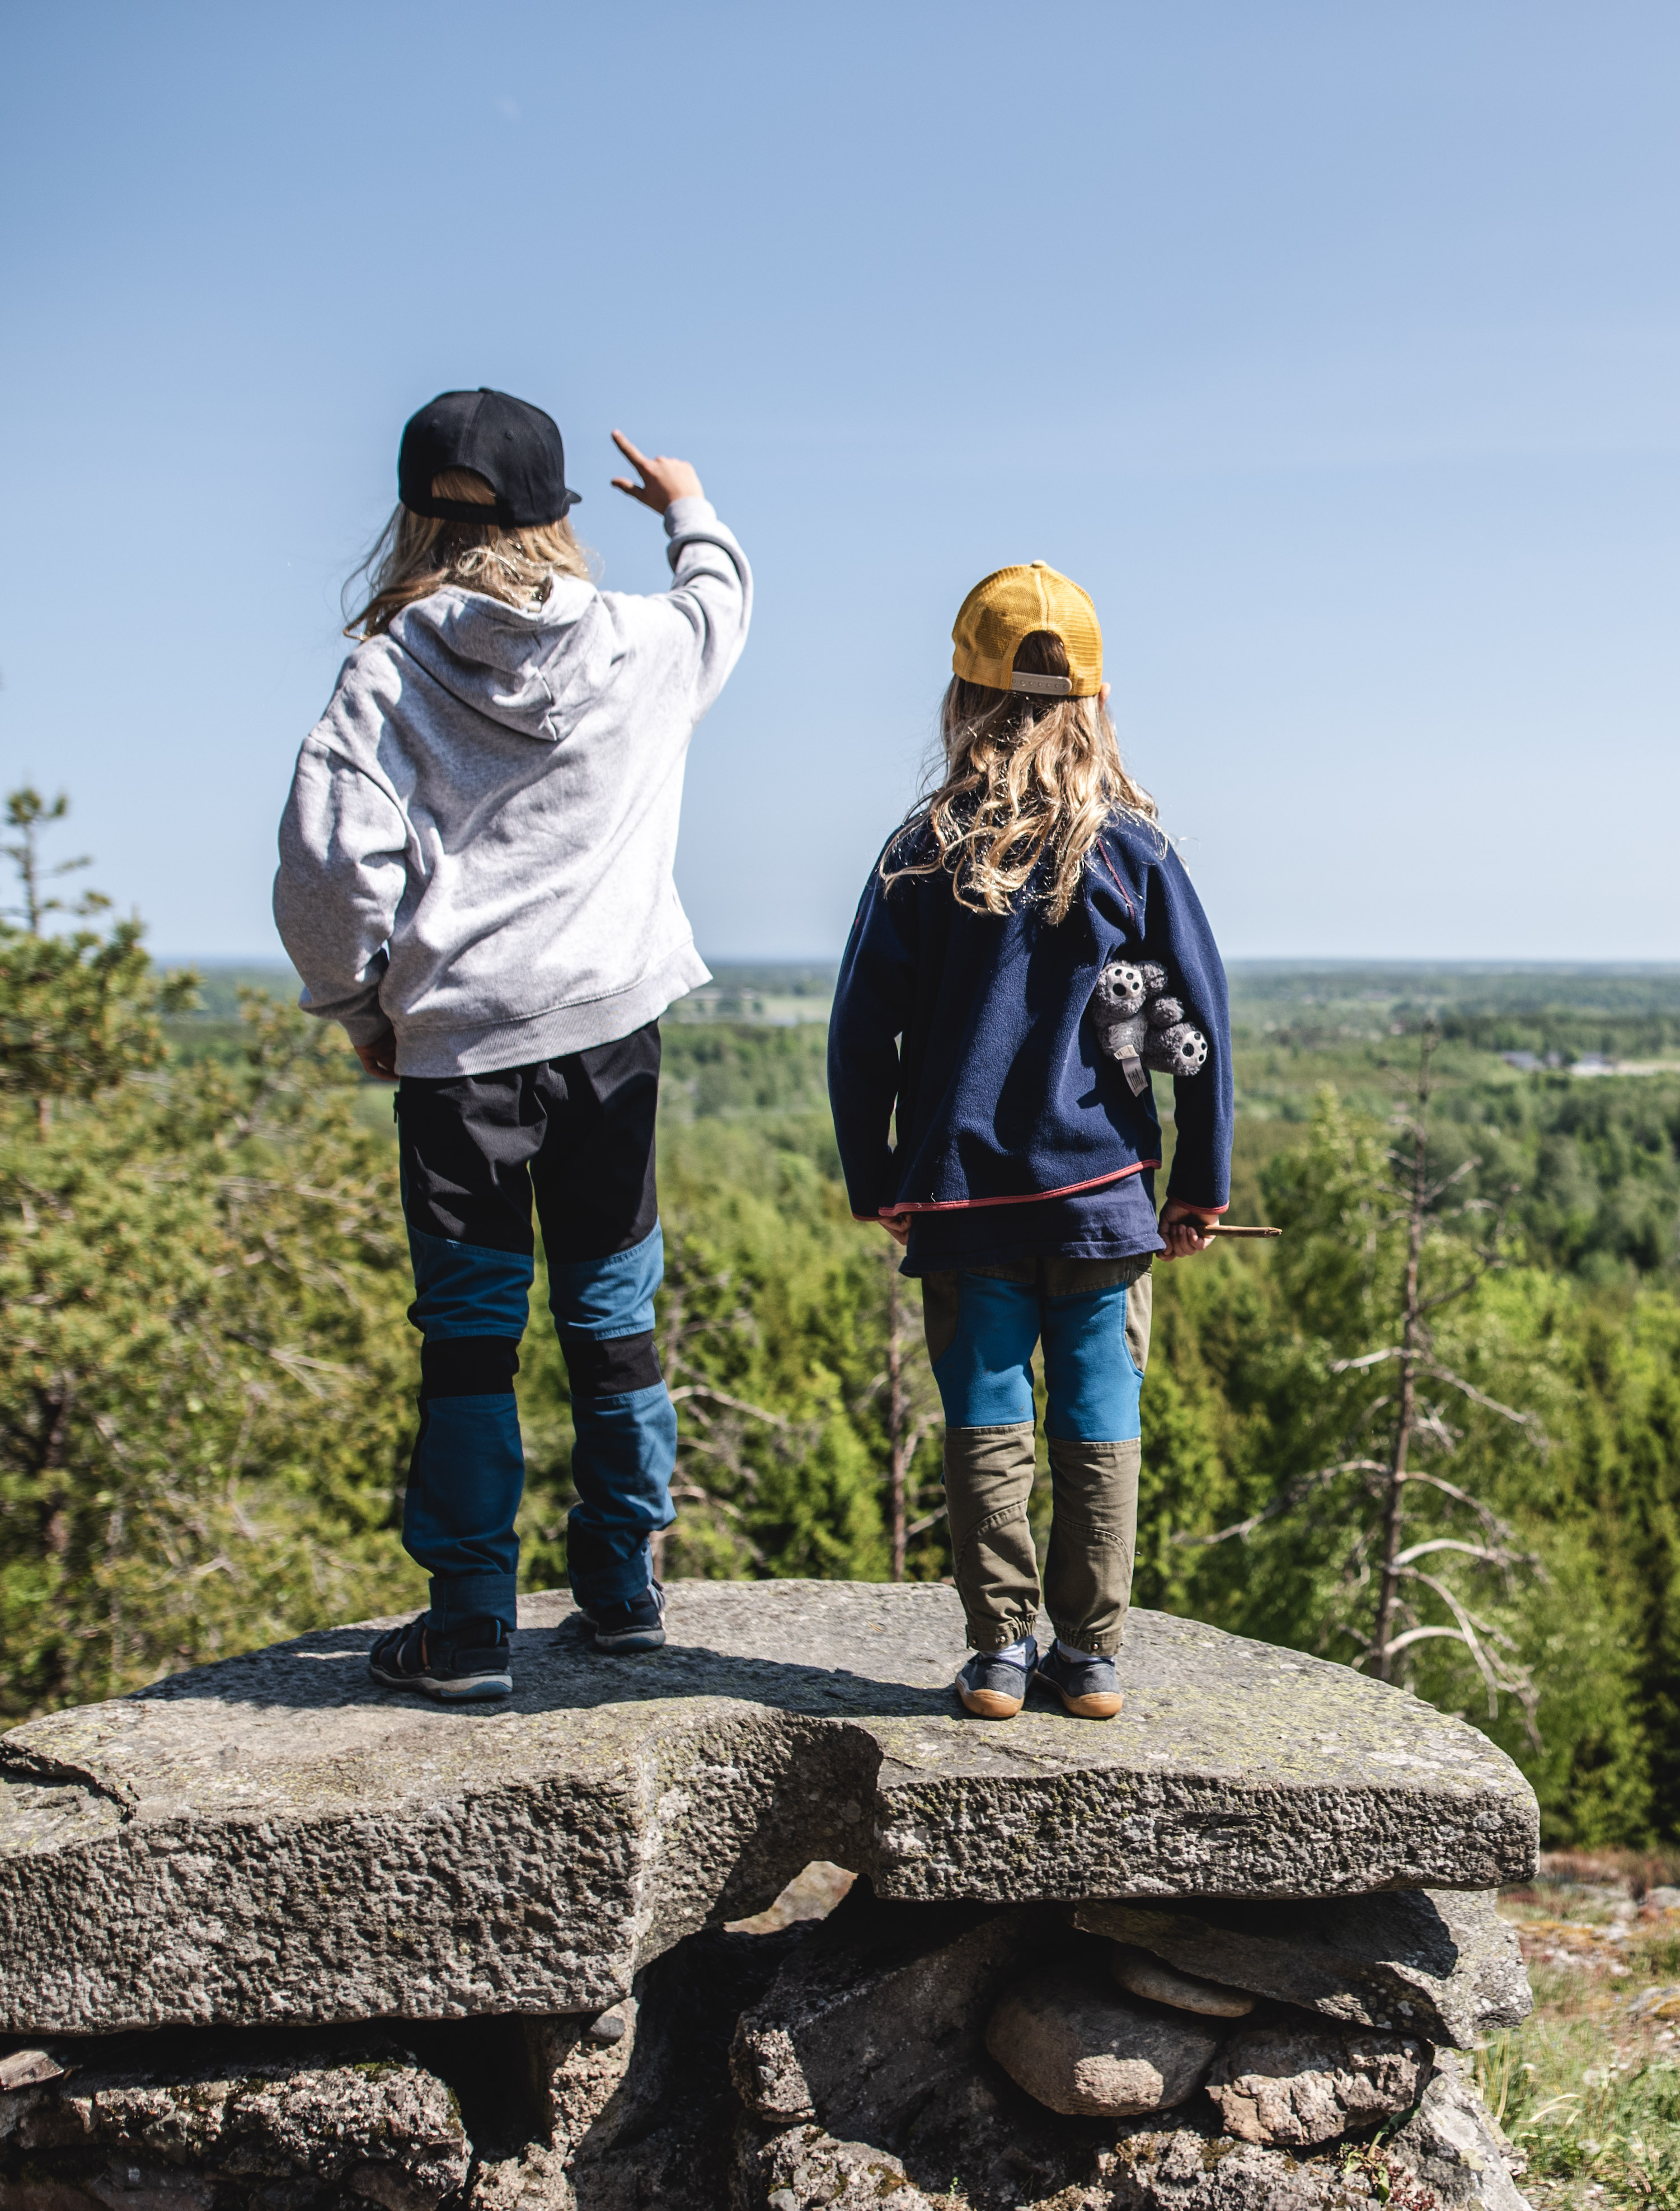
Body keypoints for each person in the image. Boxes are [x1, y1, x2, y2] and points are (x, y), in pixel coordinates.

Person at [274, 387, 753, 1702]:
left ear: (412, 516)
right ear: (557, 514)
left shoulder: (388, 667)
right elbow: (721, 603)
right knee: (612, 1316)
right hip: (611, 1037)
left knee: (471, 1337)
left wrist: (364, 1005)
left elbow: (329, 862)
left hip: (461, 1058)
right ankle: (622, 1592)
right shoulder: (647, 647)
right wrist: (688, 506)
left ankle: (472, 1628)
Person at [827, 562, 1233, 1723]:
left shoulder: (919, 852)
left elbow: (861, 1034)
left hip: (962, 1201)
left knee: (987, 1410)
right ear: (1095, 704)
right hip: (1104, 1196)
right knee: (1100, 1412)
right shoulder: (1136, 854)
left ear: (963, 699)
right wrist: (1196, 1183)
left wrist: (878, 1175)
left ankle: (1000, 1652)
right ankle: (1091, 1656)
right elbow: (1200, 1029)